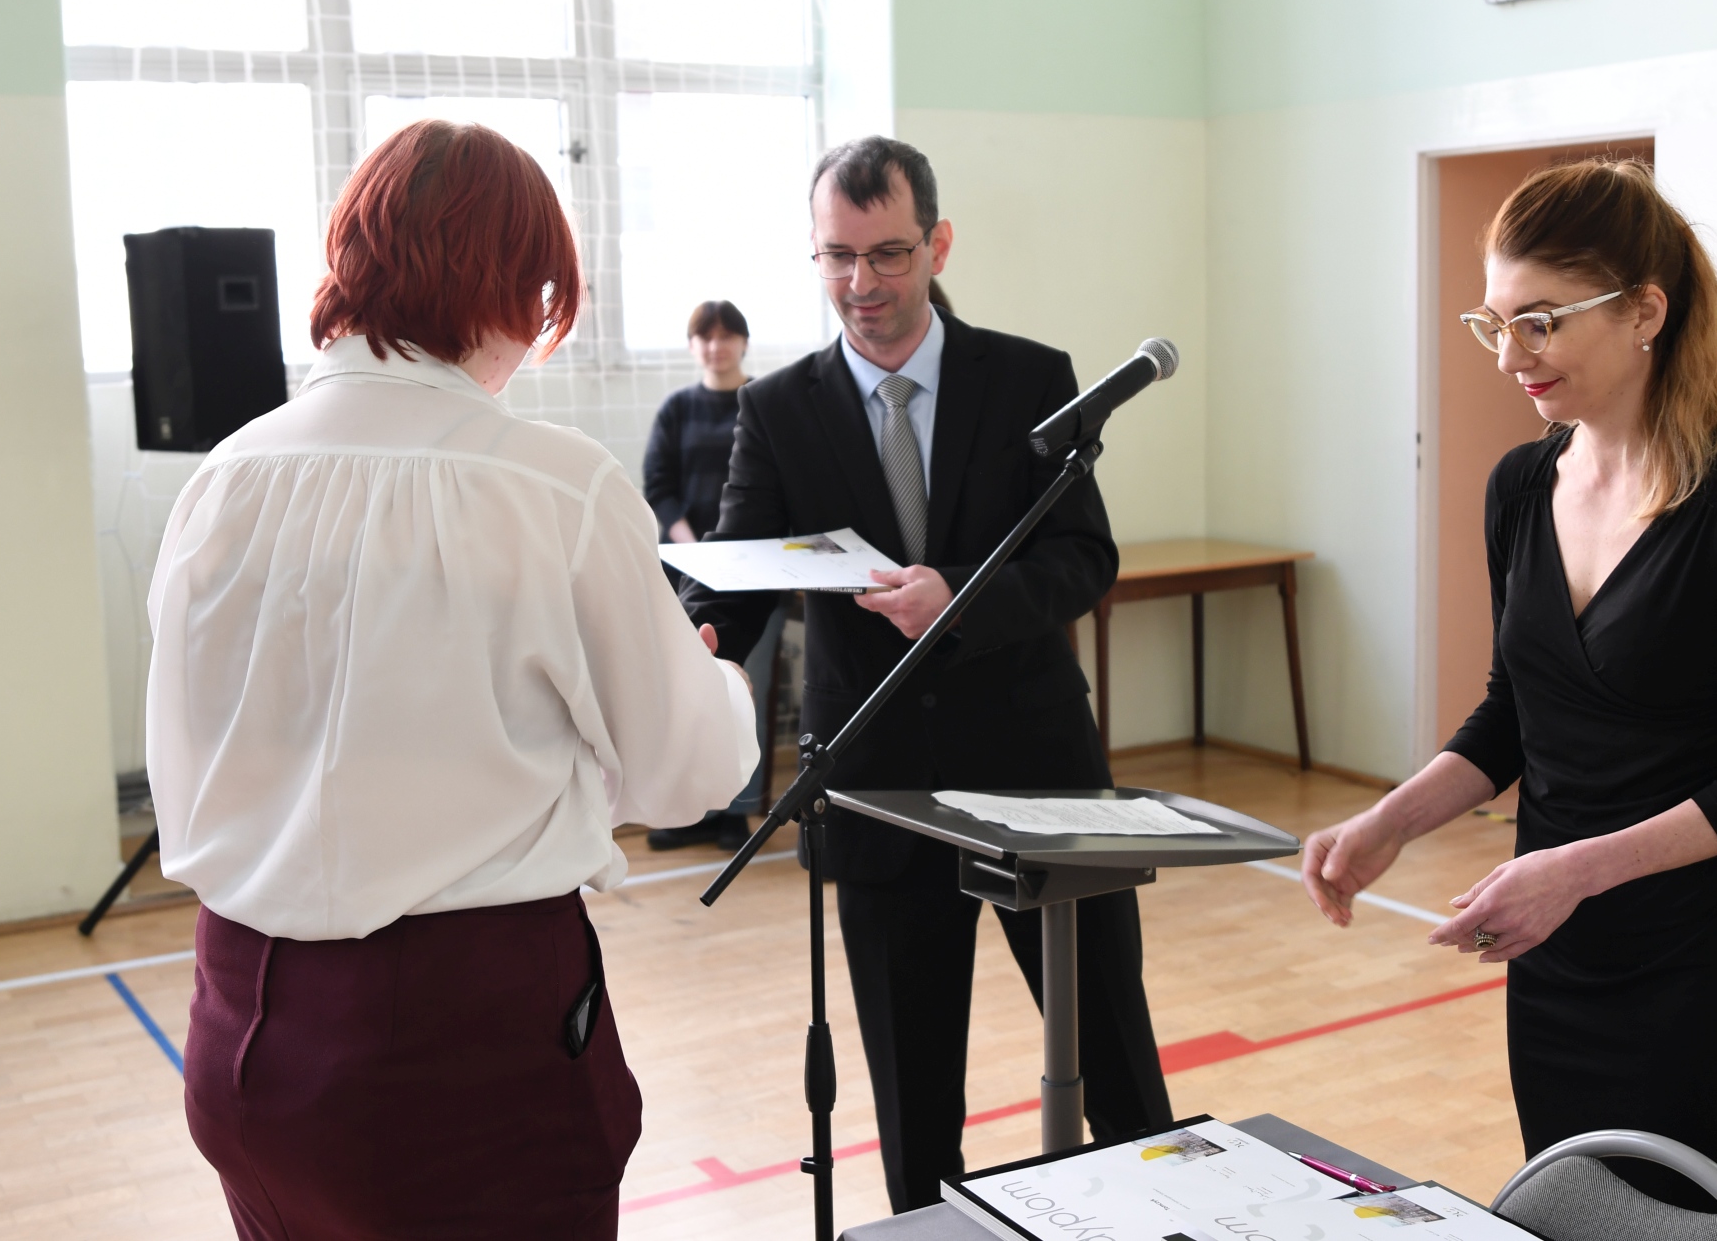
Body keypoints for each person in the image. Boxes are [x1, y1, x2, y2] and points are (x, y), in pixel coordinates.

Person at [146, 120, 759, 1238]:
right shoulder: (549, 486)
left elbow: (205, 744)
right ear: (509, 286)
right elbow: (686, 773)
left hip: (238, 1019)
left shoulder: (226, 477)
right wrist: (707, 682)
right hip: (457, 1044)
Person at [1301, 160, 1717, 1234]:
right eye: (1493, 324)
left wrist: (1574, 871)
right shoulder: (1517, 487)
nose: (1511, 357)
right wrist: (1389, 822)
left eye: (1539, 321)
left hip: (1704, 970)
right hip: (1557, 967)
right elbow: (1514, 712)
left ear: (1644, 311)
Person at [681, 136, 1172, 1212]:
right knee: (914, 1111)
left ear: (938, 243)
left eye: (888, 254)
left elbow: (1082, 559)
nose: (861, 283)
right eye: (837, 256)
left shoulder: (1033, 379)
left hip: (1039, 775)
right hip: (876, 784)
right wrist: (697, 636)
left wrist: (961, 598)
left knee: (1120, 1071)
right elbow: (742, 573)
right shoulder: (779, 408)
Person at [643, 300, 785, 851]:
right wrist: (695, 550)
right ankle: (690, 810)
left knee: (748, 685)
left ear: (743, 342)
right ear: (692, 345)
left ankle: (737, 812)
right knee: (685, 689)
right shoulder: (677, 408)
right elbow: (659, 485)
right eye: (705, 336)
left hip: (753, 575)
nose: (715, 346)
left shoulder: (766, 403)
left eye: (726, 336)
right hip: (685, 571)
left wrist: (727, 556)